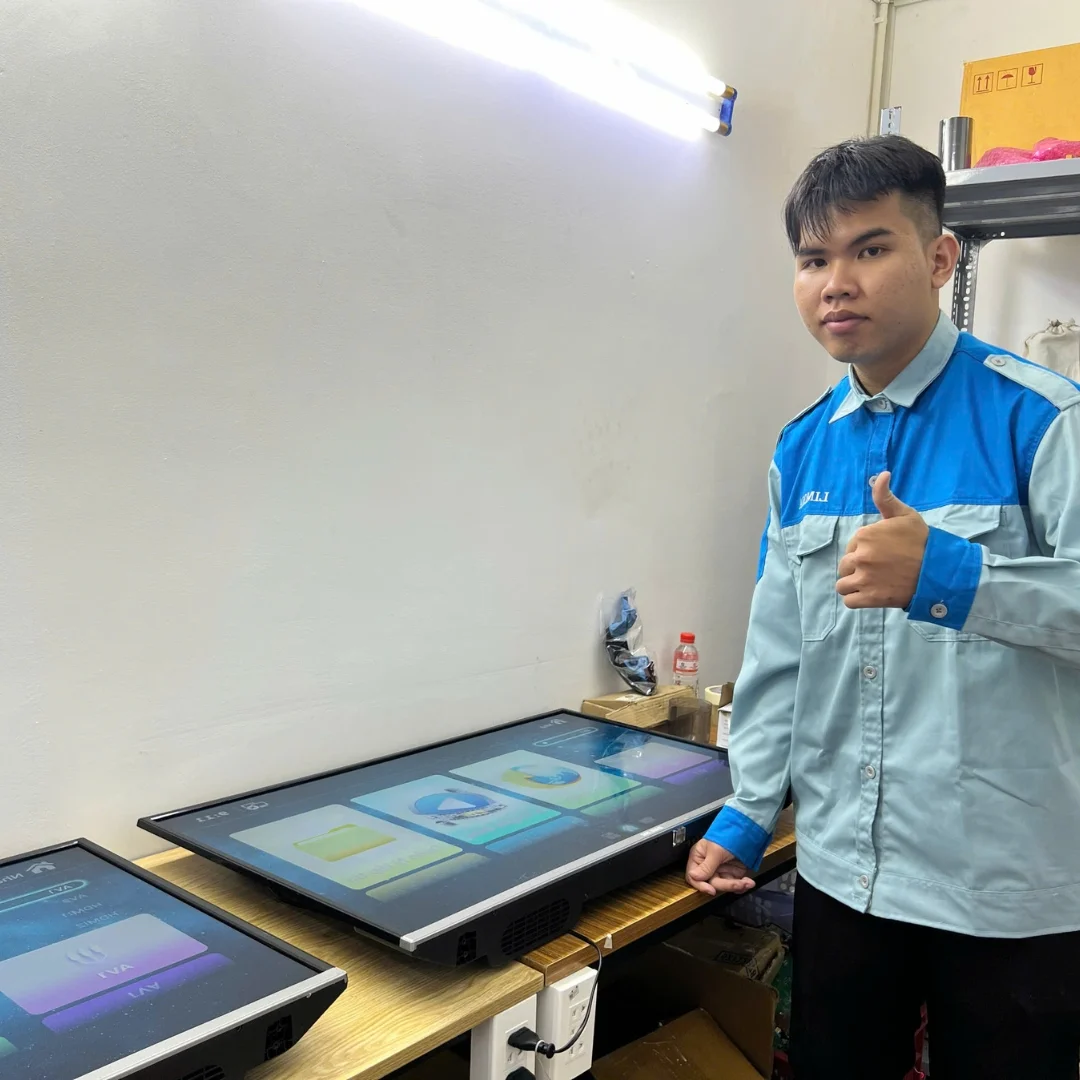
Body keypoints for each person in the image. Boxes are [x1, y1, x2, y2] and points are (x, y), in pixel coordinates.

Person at [685, 135, 1080, 1079]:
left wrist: (953, 578)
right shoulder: (802, 449)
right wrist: (748, 809)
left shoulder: (1043, 418)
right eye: (813, 259)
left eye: (870, 248)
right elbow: (778, 649)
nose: (836, 283)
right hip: (844, 872)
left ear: (940, 258)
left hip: (1005, 885)